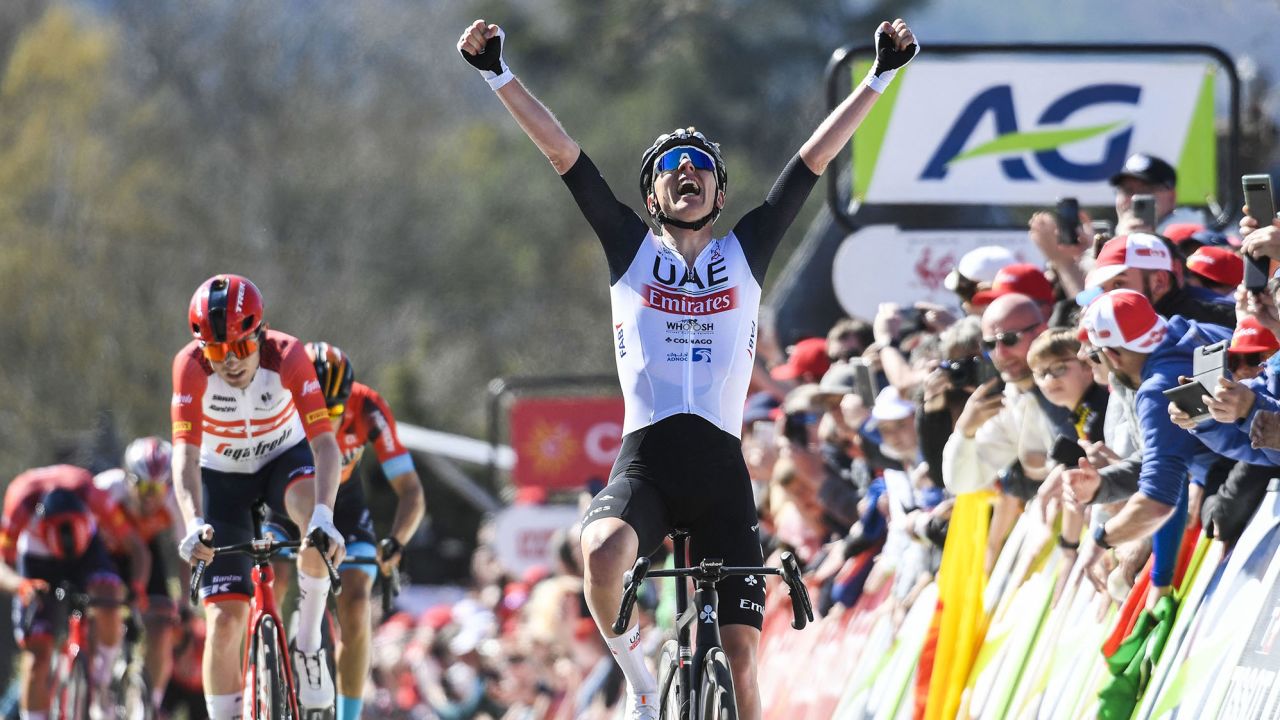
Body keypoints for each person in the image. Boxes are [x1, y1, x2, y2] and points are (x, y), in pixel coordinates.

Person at [458, 15, 919, 719]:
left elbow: (813, 161)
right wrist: (497, 73)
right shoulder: (630, 249)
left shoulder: (747, 250)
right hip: (647, 464)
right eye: (671, 170)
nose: (686, 175)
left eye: (700, 167)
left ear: (719, 193)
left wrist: (881, 77)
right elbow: (565, 157)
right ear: (652, 198)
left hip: (721, 477)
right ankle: (641, 682)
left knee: (742, 662)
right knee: (604, 555)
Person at [171, 274, 345, 720]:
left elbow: (326, 444)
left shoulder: (287, 355)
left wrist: (325, 517)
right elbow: (185, 457)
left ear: (260, 333)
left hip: (282, 461)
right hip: (222, 478)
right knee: (225, 621)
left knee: (312, 522)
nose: (228, 362)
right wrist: (192, 523)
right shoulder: (189, 367)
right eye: (216, 351)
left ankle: (307, 643)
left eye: (240, 347)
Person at [1069, 290, 1230, 596]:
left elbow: (1159, 500)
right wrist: (1102, 485)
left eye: (1094, 355)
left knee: (1219, 516)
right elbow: (1165, 457)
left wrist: (1102, 539)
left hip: (1254, 483)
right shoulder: (1191, 329)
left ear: (1112, 355)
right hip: (1254, 467)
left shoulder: (1157, 390)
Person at [304, 341, 427, 720]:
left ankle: (348, 716)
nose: (326, 420)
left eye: (335, 411)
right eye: (315, 412)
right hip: (288, 502)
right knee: (271, 578)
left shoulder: (368, 408)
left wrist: (397, 540)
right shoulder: (277, 403)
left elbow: (411, 491)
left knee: (356, 603)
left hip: (345, 504)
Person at [0, 465, 144, 720]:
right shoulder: (20, 501)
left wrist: (137, 589)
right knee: (37, 654)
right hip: (37, 559)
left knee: (109, 597)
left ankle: (102, 682)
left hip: (89, 552)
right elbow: (3, 563)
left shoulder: (92, 494)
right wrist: (20, 585)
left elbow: (138, 549)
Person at [94, 437, 184, 715]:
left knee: (163, 624)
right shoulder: (107, 487)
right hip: (105, 553)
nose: (150, 496)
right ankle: (97, 682)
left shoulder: (175, 500)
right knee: (98, 610)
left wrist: (185, 603)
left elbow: (186, 554)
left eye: (157, 488)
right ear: (127, 478)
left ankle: (150, 703)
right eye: (143, 486)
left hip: (145, 551)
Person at [1082, 233, 1236, 328]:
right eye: (1103, 288)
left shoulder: (1219, 321)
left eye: (1118, 284)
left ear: (1160, 281)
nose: (1108, 297)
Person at [1108, 152, 1205, 235]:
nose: (1135, 197)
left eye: (1147, 190)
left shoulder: (1195, 239)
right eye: (1127, 190)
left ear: (1172, 197)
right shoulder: (1105, 242)